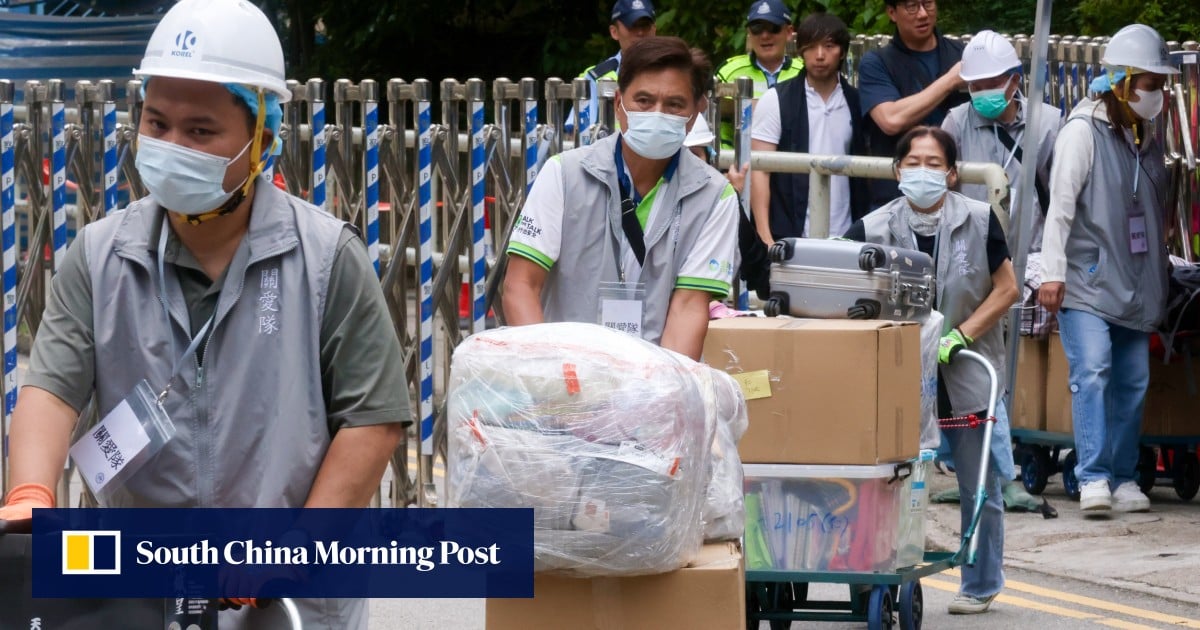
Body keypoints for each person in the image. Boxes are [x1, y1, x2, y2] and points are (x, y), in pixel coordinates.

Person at [0, 0, 410, 627]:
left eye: (199, 131)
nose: (170, 146)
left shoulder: (327, 259)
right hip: (144, 590)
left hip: (287, 601)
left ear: (261, 139)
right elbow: (50, 389)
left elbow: (372, 419)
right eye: (157, 122)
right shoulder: (99, 256)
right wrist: (30, 491)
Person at [845, 126, 1018, 614]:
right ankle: (871, 579)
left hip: (964, 366)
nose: (923, 171)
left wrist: (962, 334)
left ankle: (980, 582)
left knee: (976, 481)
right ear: (898, 170)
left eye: (934, 162)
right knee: (884, 481)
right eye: (913, 162)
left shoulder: (980, 219)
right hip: (898, 374)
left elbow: (1007, 289)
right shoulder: (871, 227)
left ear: (952, 171)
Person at [504, 36, 740, 360]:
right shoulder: (564, 174)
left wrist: (658, 394)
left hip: (653, 387)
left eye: (674, 104)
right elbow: (521, 286)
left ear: (696, 112)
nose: (658, 113)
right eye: (643, 100)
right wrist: (551, 375)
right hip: (565, 379)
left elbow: (689, 308)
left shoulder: (715, 197)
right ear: (619, 104)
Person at [1038, 24, 1178, 514]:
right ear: (1121, 82)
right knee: (1093, 369)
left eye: (1160, 84)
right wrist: (1053, 273)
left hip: (1135, 283)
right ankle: (1093, 474)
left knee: (1134, 380)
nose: (1156, 93)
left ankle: (1123, 477)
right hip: (1087, 280)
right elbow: (1060, 207)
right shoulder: (1082, 131)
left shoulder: (1145, 136)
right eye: (1148, 83)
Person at [941, 29, 1063, 510]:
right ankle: (976, 470)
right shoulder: (954, 122)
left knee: (998, 368)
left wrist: (1053, 266)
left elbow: (1061, 200)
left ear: (1016, 80)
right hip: (968, 263)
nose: (983, 93)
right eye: (975, 85)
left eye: (993, 81)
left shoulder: (1048, 124)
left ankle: (1005, 473)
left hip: (1026, 261)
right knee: (967, 367)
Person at [748, 12, 870, 243]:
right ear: (800, 51)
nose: (820, 56)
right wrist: (765, 236)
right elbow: (760, 170)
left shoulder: (857, 101)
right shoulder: (776, 99)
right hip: (789, 235)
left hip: (848, 235)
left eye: (829, 46)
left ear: (842, 51)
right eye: (811, 47)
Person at [857, 0, 968, 207]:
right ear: (892, 12)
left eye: (928, 4)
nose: (923, 14)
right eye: (912, 6)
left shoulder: (961, 54)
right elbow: (890, 119)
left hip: (958, 191)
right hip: (898, 195)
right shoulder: (877, 63)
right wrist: (950, 80)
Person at [714, 0, 802, 148]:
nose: (765, 36)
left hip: (792, 164)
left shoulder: (804, 72)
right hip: (737, 165)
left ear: (788, 32)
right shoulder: (728, 71)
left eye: (773, 28)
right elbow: (714, 116)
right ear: (749, 33)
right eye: (757, 28)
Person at [566, 0, 657, 138]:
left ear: (654, 30)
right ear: (614, 32)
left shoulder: (673, 72)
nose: (640, 32)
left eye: (645, 25)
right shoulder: (596, 76)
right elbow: (579, 134)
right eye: (632, 25)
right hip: (606, 156)